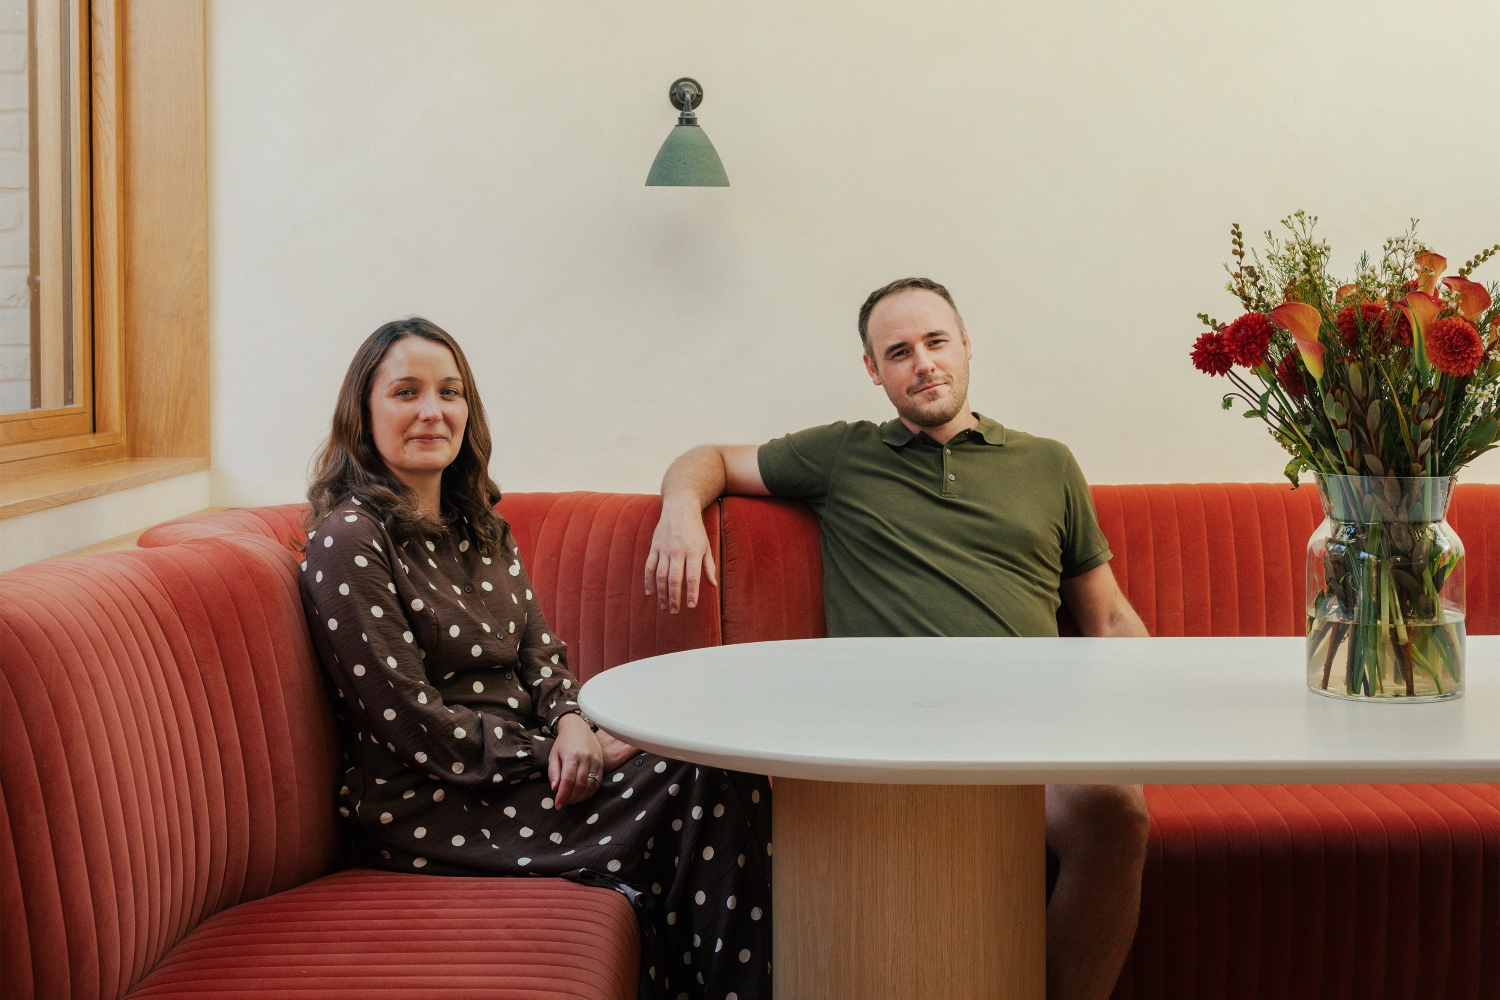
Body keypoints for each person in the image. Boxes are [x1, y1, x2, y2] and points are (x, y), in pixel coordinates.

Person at [644, 278, 1151, 1000]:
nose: (924, 363)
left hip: (1032, 729)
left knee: (1120, 815)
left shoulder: (1047, 463)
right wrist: (679, 511)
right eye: (899, 352)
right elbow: (710, 458)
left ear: (967, 347)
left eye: (936, 342)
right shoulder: (844, 456)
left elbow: (1106, 617)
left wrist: (1151, 707)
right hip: (892, 732)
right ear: (873, 371)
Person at [299, 317, 770, 1000]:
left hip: (529, 771)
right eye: (406, 393)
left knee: (720, 764)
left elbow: (540, 658)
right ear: (363, 415)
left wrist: (574, 724)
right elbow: (407, 719)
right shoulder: (350, 538)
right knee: (702, 780)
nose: (433, 411)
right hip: (429, 802)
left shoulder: (482, 528)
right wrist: (547, 753)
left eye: (450, 393)